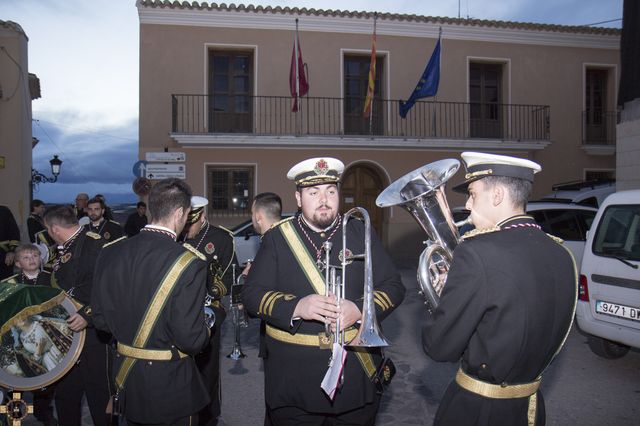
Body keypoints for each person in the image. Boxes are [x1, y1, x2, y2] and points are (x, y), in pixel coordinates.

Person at [243, 157, 405, 425]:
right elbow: (251, 295)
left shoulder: (359, 231)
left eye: (331, 191)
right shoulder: (278, 237)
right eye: (313, 192)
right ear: (298, 197)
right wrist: (297, 307)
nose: (324, 199)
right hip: (293, 381)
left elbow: (394, 286)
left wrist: (361, 309)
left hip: (355, 377)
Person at [421, 152, 578, 426]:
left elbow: (439, 347)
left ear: (497, 196)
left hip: (478, 409)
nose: (467, 205)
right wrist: (467, 291)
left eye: (472, 193)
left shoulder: (476, 252)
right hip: (531, 407)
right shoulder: (563, 253)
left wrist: (451, 297)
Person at [91, 178, 211, 425]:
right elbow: (190, 339)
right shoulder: (189, 263)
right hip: (171, 385)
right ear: (180, 213)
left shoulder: (110, 252)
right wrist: (209, 322)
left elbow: (101, 321)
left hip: (126, 379)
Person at [43, 205, 112, 426]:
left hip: (93, 337)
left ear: (53, 229)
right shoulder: (65, 247)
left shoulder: (95, 244)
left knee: (100, 396)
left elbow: (111, 287)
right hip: (66, 337)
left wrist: (88, 315)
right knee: (66, 396)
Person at [181, 196, 236, 426]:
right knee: (181, 367)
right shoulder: (176, 235)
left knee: (207, 369)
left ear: (202, 217)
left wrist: (211, 291)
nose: (187, 228)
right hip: (179, 310)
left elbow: (229, 274)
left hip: (207, 312)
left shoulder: (221, 238)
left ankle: (208, 417)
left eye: (191, 224)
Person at [1, 243, 57, 426]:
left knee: (43, 376)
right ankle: (14, 409)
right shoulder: (10, 284)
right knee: (16, 374)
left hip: (43, 335)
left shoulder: (52, 279)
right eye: (26, 257)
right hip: (16, 337)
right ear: (17, 263)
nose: (32, 260)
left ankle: (44, 411)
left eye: (35, 256)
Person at [0, 205, 20, 281]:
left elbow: (14, 232)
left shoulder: (3, 211)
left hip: (3, 255)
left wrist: (11, 251)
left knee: (5, 281)